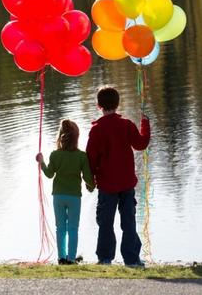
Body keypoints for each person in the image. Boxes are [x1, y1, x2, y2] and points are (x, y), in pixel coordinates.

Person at [86, 86, 150, 267]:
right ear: (118, 103)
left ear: (99, 105)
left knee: (106, 222)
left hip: (107, 185)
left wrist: (89, 180)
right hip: (127, 184)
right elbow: (141, 144)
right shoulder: (126, 125)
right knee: (128, 221)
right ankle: (132, 260)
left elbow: (90, 158)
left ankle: (105, 258)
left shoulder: (97, 130)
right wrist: (145, 125)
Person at [36, 119, 95, 265]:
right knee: (73, 228)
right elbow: (88, 178)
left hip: (58, 196)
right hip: (74, 197)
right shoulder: (81, 156)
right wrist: (92, 186)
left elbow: (49, 174)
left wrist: (42, 162)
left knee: (60, 227)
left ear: (61, 136)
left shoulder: (55, 155)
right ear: (76, 138)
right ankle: (71, 258)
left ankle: (61, 258)